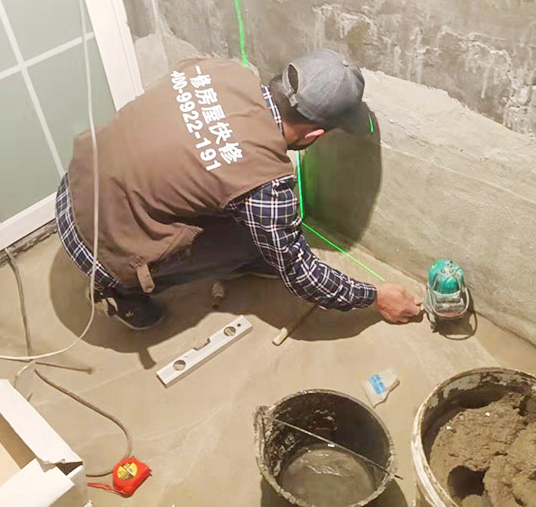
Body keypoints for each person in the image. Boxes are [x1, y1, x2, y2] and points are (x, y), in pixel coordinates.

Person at [56, 49, 422, 330]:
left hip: (77, 183)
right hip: (96, 246)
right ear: (314, 134)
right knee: (262, 243)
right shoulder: (267, 184)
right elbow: (302, 274)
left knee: (250, 218)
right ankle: (122, 291)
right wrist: (374, 296)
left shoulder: (221, 70)